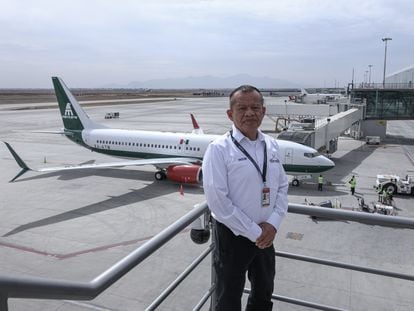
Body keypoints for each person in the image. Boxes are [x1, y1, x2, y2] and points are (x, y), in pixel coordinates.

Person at [202, 85, 289, 311]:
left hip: (266, 235)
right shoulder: (218, 149)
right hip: (233, 236)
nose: (249, 113)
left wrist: (273, 224)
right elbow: (218, 202)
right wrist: (255, 232)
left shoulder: (271, 145)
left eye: (255, 107)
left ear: (263, 111)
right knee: (228, 298)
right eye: (242, 108)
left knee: (264, 292)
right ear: (230, 114)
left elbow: (282, 186)